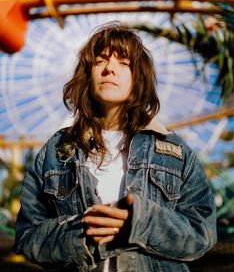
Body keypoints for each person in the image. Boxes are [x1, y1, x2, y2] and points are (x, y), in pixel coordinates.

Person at [14, 22, 217, 271]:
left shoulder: (175, 152)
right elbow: (27, 237)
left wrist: (140, 224)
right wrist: (81, 231)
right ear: (86, 74)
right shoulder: (55, 153)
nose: (110, 68)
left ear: (137, 77)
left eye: (124, 63)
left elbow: (202, 233)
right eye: (100, 61)